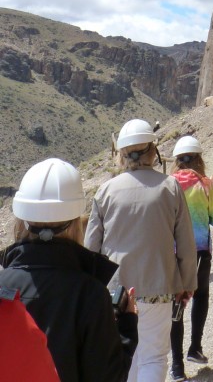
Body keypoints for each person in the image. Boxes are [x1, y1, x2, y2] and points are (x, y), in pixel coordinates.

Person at [0, 157, 138, 382]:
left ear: (21, 221)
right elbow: (107, 377)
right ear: (76, 223)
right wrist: (127, 327)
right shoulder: (91, 294)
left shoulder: (2, 287)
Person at [85, 118, 197, 382]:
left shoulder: (105, 191)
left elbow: (91, 249)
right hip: (159, 288)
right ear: (152, 151)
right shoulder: (170, 188)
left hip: (116, 293)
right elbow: (186, 244)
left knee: (127, 356)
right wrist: (186, 283)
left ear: (122, 154)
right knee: (154, 357)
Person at [169, 135, 213, 381]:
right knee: (201, 295)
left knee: (176, 304)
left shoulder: (166, 185)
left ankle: (177, 367)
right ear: (199, 159)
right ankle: (195, 348)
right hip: (200, 251)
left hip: (172, 253)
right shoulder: (205, 185)